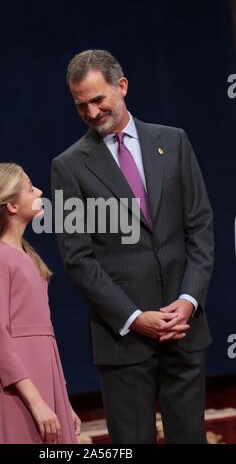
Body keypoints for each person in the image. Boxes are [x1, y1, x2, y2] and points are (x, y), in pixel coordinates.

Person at [51, 50, 214, 444]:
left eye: (97, 99)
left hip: (183, 331)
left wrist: (189, 300)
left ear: (121, 86)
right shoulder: (67, 166)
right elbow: (77, 259)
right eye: (80, 105)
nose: (91, 112)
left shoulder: (174, 142)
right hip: (122, 339)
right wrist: (134, 316)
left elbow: (200, 229)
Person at [0, 163, 80, 444]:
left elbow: (45, 337)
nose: (39, 191)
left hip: (44, 375)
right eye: (30, 188)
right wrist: (37, 402)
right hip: (20, 386)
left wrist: (62, 400)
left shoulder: (27, 254)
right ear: (12, 206)